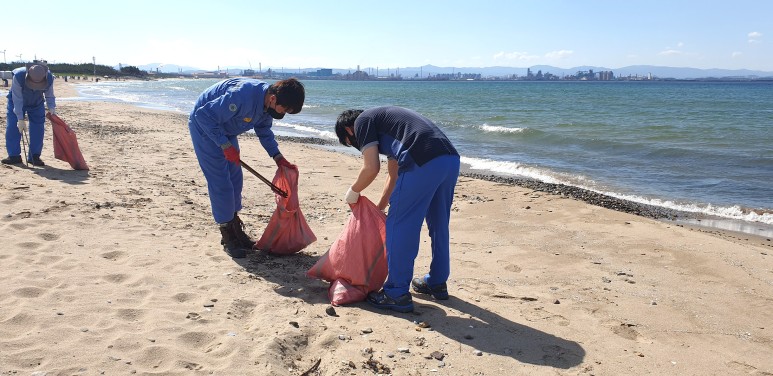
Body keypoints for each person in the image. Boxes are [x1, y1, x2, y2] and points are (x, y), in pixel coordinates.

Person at [335, 106, 460, 313]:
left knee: (400, 226)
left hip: (421, 159)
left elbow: (371, 168)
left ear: (349, 130)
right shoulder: (390, 126)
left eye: (350, 143)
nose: (356, 145)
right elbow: (393, 176)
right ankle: (437, 282)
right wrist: (379, 209)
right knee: (439, 224)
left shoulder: (362, 121)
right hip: (450, 160)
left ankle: (396, 293)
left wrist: (353, 191)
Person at [188, 77, 305, 259]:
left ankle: (235, 228)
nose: (284, 113)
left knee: (236, 179)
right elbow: (203, 116)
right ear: (273, 98)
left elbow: (264, 131)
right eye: (284, 109)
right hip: (205, 128)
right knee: (221, 183)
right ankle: (227, 236)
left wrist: (278, 157)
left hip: (226, 130)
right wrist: (224, 145)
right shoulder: (242, 95)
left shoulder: (268, 105)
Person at [3, 61, 56, 166]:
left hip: (37, 103)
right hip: (16, 101)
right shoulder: (18, 76)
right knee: (13, 127)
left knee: (38, 128)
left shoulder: (49, 77)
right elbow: (17, 99)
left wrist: (51, 107)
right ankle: (14, 156)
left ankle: (34, 156)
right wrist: (20, 118)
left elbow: (49, 94)